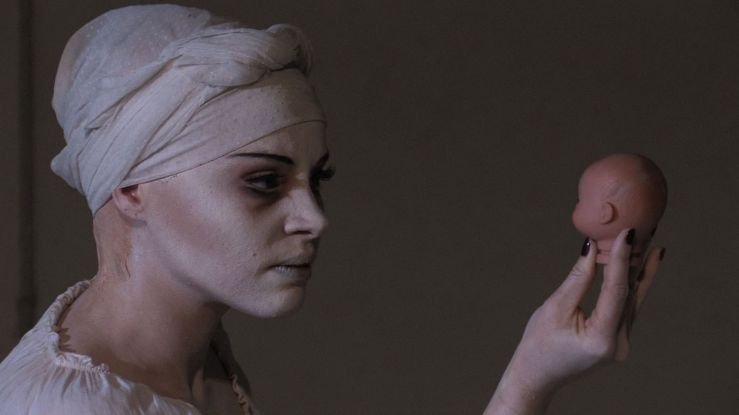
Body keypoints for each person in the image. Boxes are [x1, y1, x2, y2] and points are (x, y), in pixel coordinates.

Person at [0, 4, 665, 415]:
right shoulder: (72, 407)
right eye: (263, 181)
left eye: (316, 179)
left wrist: (533, 369)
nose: (314, 218)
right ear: (130, 187)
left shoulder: (198, 360)